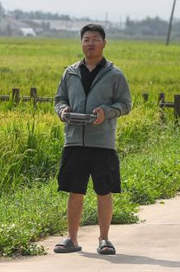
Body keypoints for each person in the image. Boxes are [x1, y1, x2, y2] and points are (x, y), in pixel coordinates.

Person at [52, 23, 132, 256]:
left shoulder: (115, 74)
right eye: (86, 39)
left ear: (104, 43)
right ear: (81, 43)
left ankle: (104, 239)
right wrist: (63, 110)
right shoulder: (70, 72)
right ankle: (72, 239)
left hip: (102, 142)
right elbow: (59, 99)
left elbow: (125, 104)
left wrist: (105, 112)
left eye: (95, 39)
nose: (90, 43)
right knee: (75, 191)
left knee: (103, 191)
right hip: (74, 140)